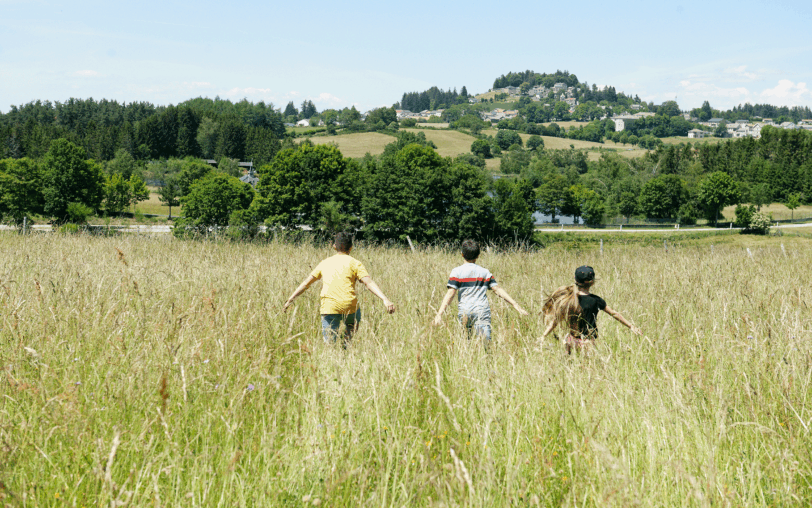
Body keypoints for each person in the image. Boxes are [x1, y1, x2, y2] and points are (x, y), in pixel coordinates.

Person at [283, 232, 395, 347]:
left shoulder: (324, 263)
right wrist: (385, 299)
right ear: (351, 247)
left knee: (329, 342)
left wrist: (290, 299)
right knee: (354, 320)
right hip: (349, 307)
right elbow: (368, 282)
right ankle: (346, 344)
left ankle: (332, 350)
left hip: (329, 307)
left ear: (334, 246)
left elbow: (306, 283)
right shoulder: (355, 263)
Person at [433, 239, 528, 346]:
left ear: (462, 254)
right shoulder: (484, 272)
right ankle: (487, 359)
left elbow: (451, 293)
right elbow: (497, 289)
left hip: (465, 310)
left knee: (465, 342)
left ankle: (466, 360)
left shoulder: (457, 272)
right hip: (481, 310)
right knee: (485, 343)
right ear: (478, 255)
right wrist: (515, 305)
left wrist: (439, 314)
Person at [542, 265, 641, 353]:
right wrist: (630, 326)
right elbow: (614, 314)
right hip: (587, 342)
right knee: (588, 369)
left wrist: (543, 336)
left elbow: (556, 321)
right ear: (592, 282)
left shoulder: (570, 299)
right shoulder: (596, 300)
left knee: (570, 367)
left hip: (571, 340)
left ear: (575, 280)